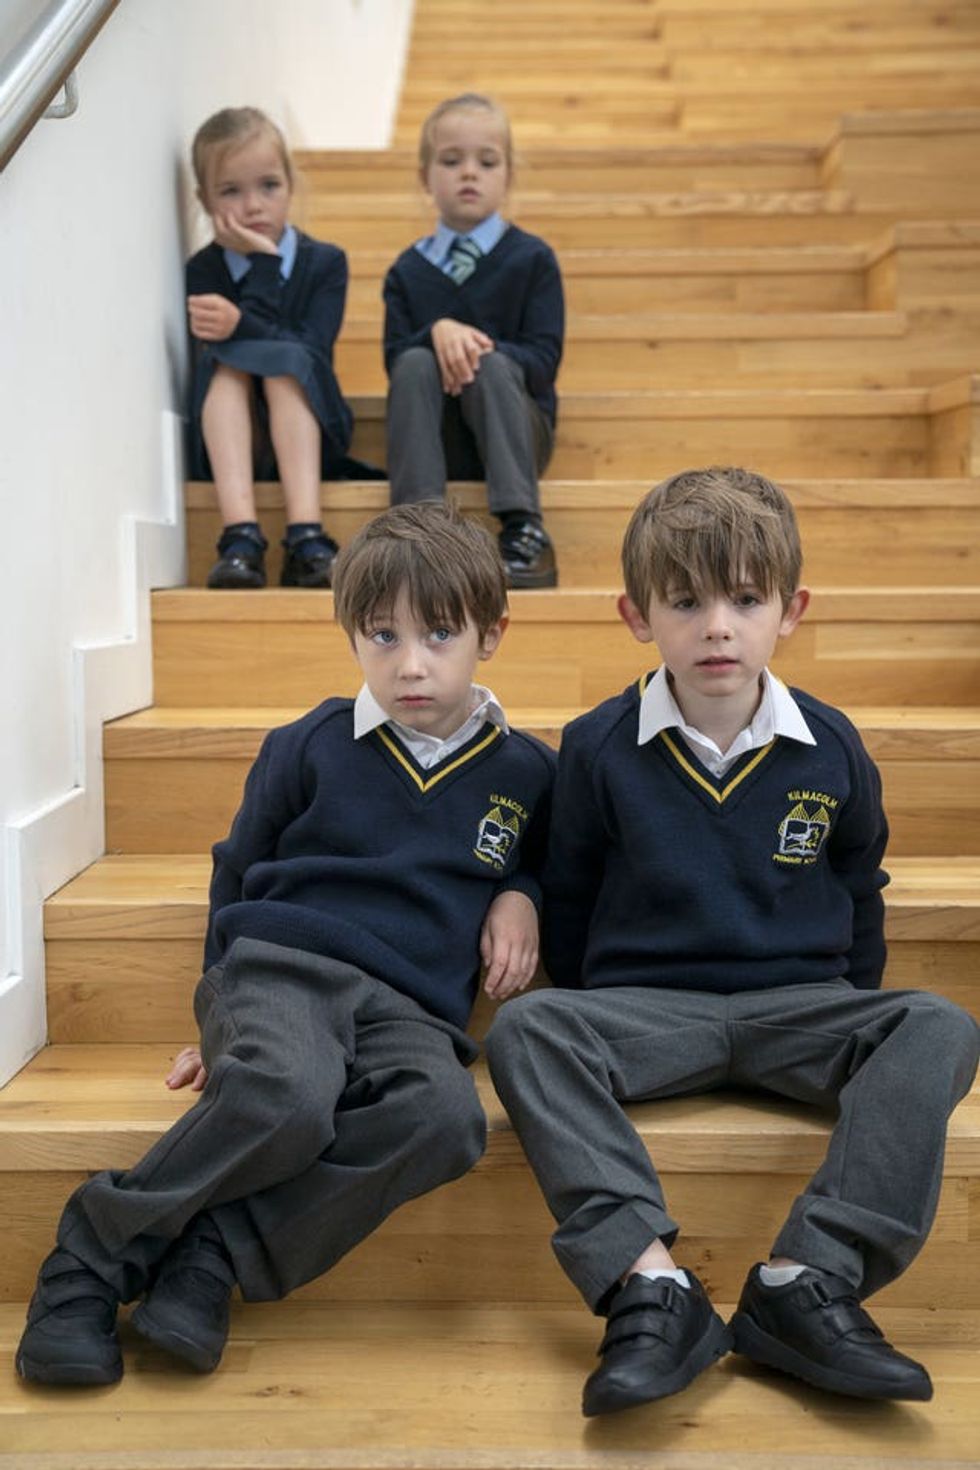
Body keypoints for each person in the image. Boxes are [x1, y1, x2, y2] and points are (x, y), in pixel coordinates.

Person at [16, 501, 554, 1386]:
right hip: (282, 968)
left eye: (440, 634)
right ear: (350, 636)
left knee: (447, 1119)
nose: (410, 663)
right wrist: (218, 1000)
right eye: (382, 636)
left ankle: (212, 1260)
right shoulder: (307, 745)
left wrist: (520, 896)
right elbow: (237, 869)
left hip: (413, 1006)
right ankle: (90, 1259)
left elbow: (544, 866)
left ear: (490, 634)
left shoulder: (527, 772)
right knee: (287, 1095)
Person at [485, 466, 979, 1415]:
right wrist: (595, 991)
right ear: (638, 616)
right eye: (687, 602)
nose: (718, 625)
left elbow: (857, 883)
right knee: (527, 1031)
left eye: (745, 600)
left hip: (803, 1008)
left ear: (788, 611)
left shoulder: (831, 746)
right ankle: (648, 1284)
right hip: (646, 1012)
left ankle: (806, 1281)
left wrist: (847, 1011)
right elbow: (568, 885)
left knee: (941, 1026)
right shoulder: (595, 746)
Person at [383, 93, 564, 590]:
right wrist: (437, 332)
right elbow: (394, 359)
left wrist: (476, 348)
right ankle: (418, 531)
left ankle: (524, 526)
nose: (469, 173)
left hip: (514, 437)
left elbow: (544, 360)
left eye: (486, 161)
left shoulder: (532, 259)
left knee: (488, 363)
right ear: (425, 177)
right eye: (450, 160)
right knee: (416, 362)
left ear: (507, 176)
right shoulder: (407, 270)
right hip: (436, 440)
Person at [186, 106, 353, 590]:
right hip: (236, 440)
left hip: (312, 424)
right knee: (226, 366)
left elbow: (312, 352)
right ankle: (240, 536)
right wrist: (261, 268)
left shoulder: (325, 263)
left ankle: (306, 534)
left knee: (284, 363)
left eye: (268, 186)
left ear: (290, 185)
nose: (254, 206)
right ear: (204, 199)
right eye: (231, 191)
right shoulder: (204, 271)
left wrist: (247, 306)